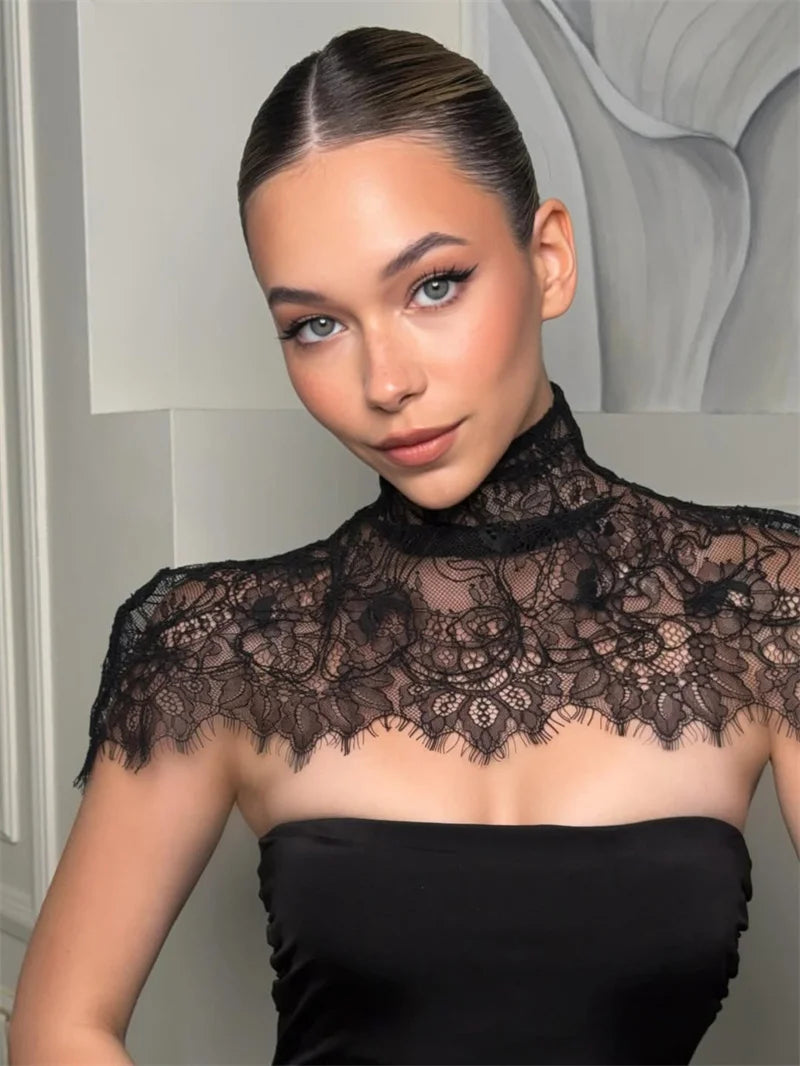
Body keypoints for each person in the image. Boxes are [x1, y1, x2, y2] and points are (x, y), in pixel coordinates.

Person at [9, 24, 799, 1066]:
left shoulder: (757, 604)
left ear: (546, 260)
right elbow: (58, 1026)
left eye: (432, 286)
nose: (384, 382)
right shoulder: (221, 649)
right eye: (314, 325)